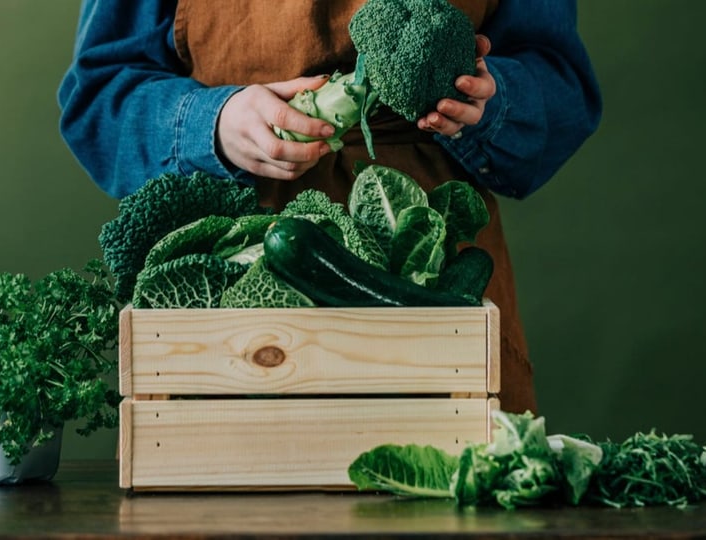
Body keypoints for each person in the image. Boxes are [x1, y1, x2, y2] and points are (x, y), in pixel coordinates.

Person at [56, 0, 603, 414]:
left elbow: (563, 88)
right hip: (231, 266)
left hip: (431, 265)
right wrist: (213, 124)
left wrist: (489, 98)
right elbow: (98, 98)